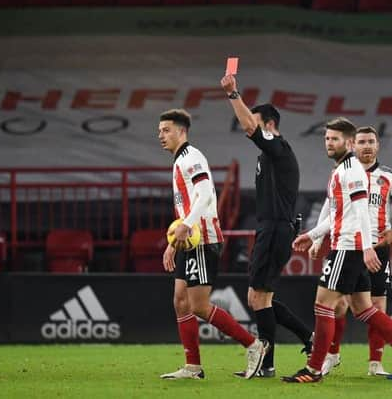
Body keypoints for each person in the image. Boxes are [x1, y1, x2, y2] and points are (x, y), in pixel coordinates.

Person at [157, 109, 267, 380]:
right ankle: (193, 367)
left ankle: (254, 344)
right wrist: (174, 242)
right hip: (189, 241)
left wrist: (186, 225)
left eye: (166, 130)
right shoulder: (179, 160)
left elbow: (205, 194)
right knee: (180, 301)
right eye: (159, 131)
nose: (161, 135)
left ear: (182, 131)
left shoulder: (191, 157)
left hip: (204, 239)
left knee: (199, 306)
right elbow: (189, 205)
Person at [283, 117, 392, 383]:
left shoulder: (351, 170)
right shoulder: (342, 170)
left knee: (324, 304)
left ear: (349, 143)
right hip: (352, 245)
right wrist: (313, 234)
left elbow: (361, 211)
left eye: (335, 139)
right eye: (327, 138)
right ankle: (319, 364)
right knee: (364, 308)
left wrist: (367, 247)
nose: (329, 143)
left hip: (348, 247)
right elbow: (338, 213)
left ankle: (314, 369)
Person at [221, 75, 313, 377]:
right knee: (257, 298)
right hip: (270, 229)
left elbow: (249, 126)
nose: (251, 128)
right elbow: (251, 127)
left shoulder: (279, 148)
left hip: (276, 229)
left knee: (259, 298)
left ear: (269, 126)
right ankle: (307, 337)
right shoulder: (268, 156)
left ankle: (267, 364)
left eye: (258, 124)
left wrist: (233, 94)